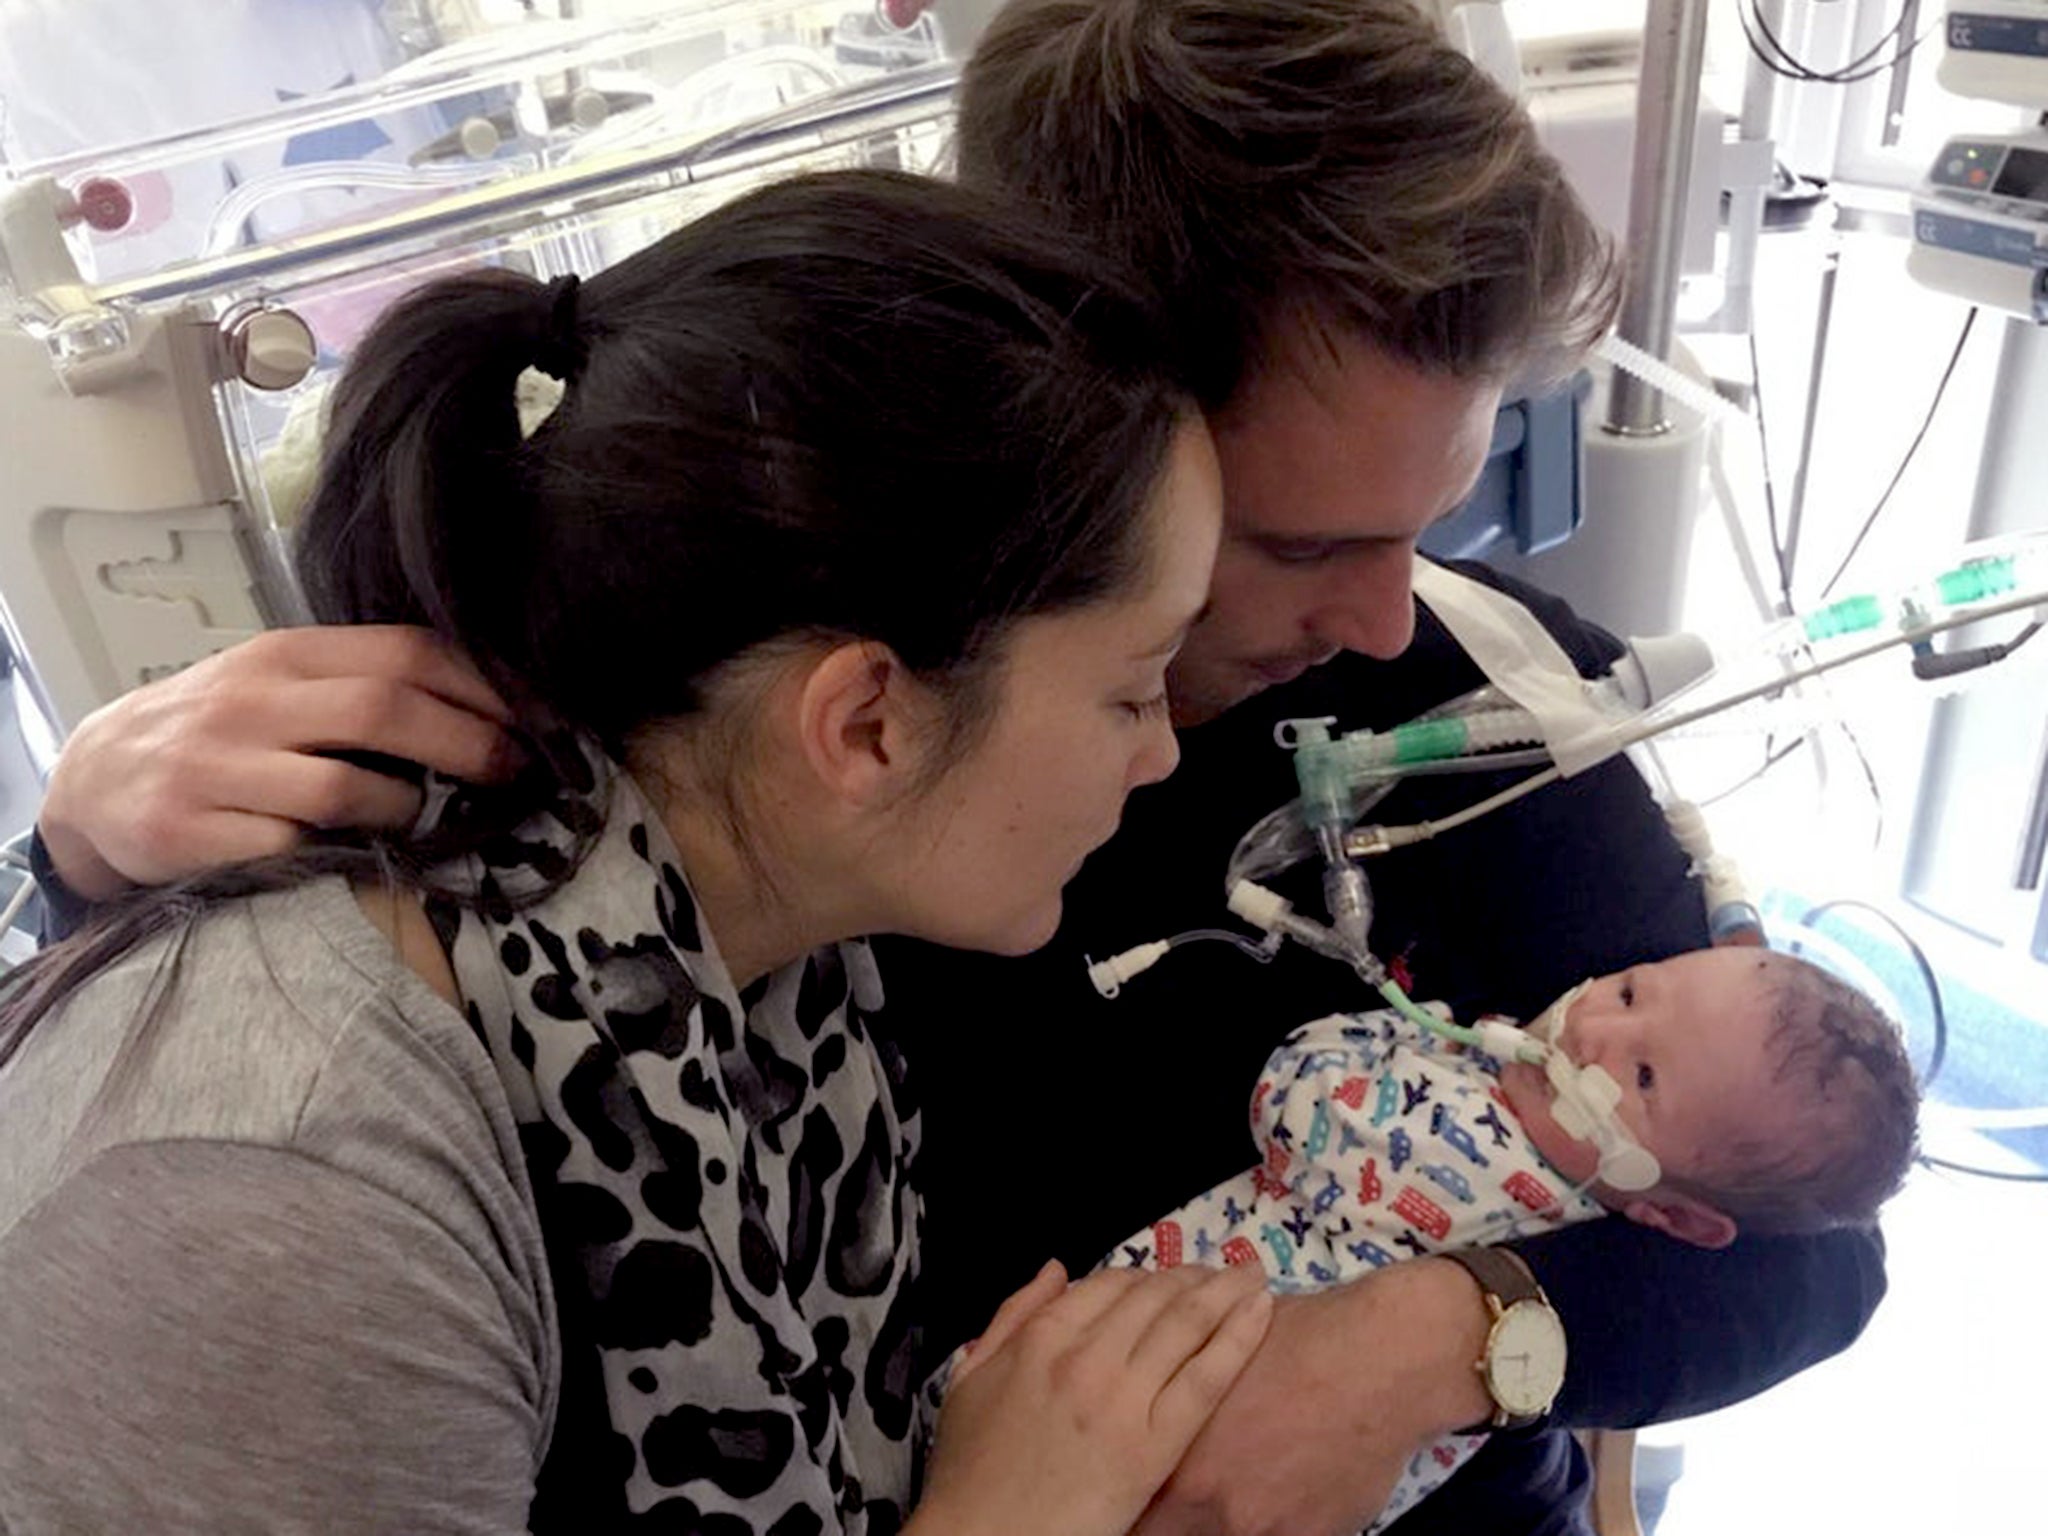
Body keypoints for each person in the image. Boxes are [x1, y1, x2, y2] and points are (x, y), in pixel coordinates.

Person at [23, 3, 1892, 1532]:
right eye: (1303, 543)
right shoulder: (769, 832)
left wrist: (1457, 1331)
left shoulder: (1483, 710)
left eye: (1442, 506)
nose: (1398, 621)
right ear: (1071, 418)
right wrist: (98, 874)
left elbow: (1806, 1227)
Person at [0, 169, 1285, 1534]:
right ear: (864, 725)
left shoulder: (756, 987)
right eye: (1136, 687)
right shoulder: (294, 1209)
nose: (1163, 755)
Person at [1097, 948, 1920, 1532]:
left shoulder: (1474, 1152)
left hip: (1155, 1414)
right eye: (1631, 991)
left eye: (1643, 1078)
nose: (1593, 1028)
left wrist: (1416, 1041)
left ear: (1670, 1217)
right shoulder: (1579, 1196)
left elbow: (1296, 1104)